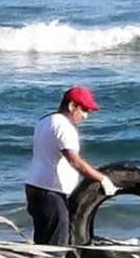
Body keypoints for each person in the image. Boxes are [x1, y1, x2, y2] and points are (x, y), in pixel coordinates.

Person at [24, 86, 118, 246]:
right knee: (55, 248)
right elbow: (74, 161)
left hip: (34, 187)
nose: (86, 116)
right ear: (71, 106)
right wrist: (102, 179)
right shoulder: (64, 126)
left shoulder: (45, 120)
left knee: (42, 243)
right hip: (50, 193)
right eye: (84, 110)